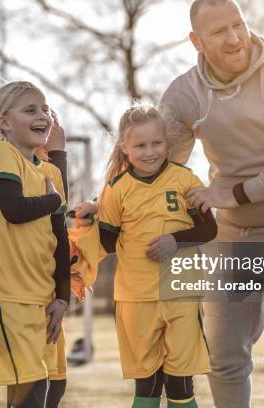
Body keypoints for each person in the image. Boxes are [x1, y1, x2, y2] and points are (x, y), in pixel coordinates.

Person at [158, 1, 264, 406]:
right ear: (196, 41)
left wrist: (232, 194)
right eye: (219, 32)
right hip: (233, 233)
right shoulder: (185, 93)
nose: (235, 38)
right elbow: (153, 162)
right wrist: (108, 202)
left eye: (238, 25)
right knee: (223, 353)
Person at [78, 104, 218, 408]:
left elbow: (209, 230)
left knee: (181, 383)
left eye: (157, 143)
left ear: (166, 142)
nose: (150, 151)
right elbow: (107, 242)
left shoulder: (185, 180)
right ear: (125, 148)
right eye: (140, 145)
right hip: (135, 297)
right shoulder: (116, 190)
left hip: (180, 294)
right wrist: (89, 221)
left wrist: (175, 241)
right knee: (148, 385)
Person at [0, 80, 70, 408]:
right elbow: (14, 210)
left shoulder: (50, 173)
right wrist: (53, 199)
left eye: (45, 108)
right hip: (6, 293)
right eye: (30, 109)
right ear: (4, 122)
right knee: (34, 387)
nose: (42, 114)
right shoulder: (1, 153)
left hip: (42, 298)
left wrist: (63, 296)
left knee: (53, 386)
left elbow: (61, 236)